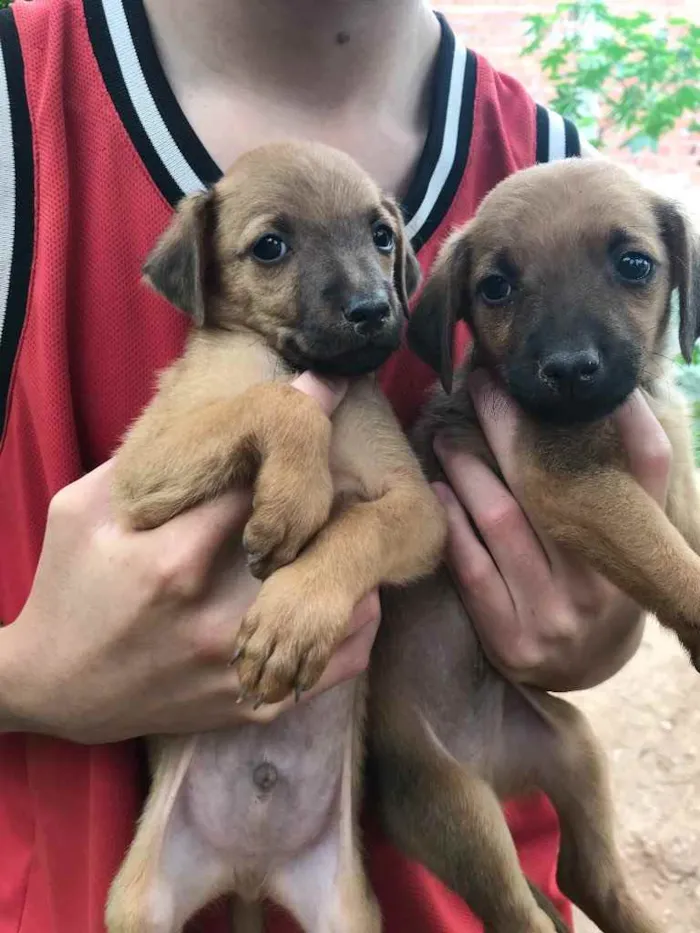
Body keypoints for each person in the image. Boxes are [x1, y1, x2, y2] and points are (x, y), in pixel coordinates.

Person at [0, 1, 672, 931]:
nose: (363, 294)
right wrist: (23, 679)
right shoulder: (20, 106)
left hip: (417, 869)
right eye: (272, 249)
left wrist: (603, 631)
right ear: (206, 269)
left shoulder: (545, 172)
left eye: (380, 244)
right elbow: (152, 476)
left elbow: (442, 519)